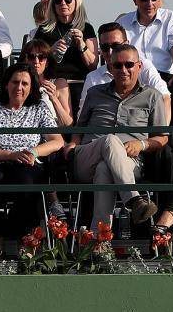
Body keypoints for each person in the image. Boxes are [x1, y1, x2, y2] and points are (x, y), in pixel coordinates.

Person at [66, 43, 167, 229]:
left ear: (139, 66)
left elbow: (162, 137)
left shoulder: (153, 96)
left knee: (105, 169)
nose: (123, 70)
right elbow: (79, 128)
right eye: (117, 65)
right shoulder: (94, 93)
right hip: (89, 155)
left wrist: (142, 145)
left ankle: (99, 240)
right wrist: (72, 145)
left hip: (129, 161)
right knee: (110, 140)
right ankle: (135, 201)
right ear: (110, 68)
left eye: (129, 64)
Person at [0, 63, 63, 257]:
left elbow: (57, 141)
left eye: (24, 83)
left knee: (29, 183)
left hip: (26, 164)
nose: (19, 87)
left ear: (31, 87)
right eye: (15, 82)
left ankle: (20, 238)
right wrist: (9, 155)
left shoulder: (39, 108)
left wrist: (33, 152)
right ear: (6, 84)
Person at [116, 0, 173, 115]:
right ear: (134, 0)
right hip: (134, 76)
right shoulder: (122, 23)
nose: (150, 3)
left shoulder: (172, 18)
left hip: (165, 76)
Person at [27, 0, 97, 84]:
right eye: (58, 0)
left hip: (80, 82)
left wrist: (81, 44)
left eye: (68, 0)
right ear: (53, 5)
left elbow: (93, 65)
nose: (63, 3)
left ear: (76, 2)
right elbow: (31, 59)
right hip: (52, 82)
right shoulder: (45, 29)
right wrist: (50, 51)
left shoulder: (86, 28)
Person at [22, 39, 74, 126]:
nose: (36, 61)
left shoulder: (59, 84)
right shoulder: (18, 85)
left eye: (41, 57)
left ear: (47, 62)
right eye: (31, 57)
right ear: (26, 60)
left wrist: (53, 98)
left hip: (54, 135)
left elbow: (68, 124)